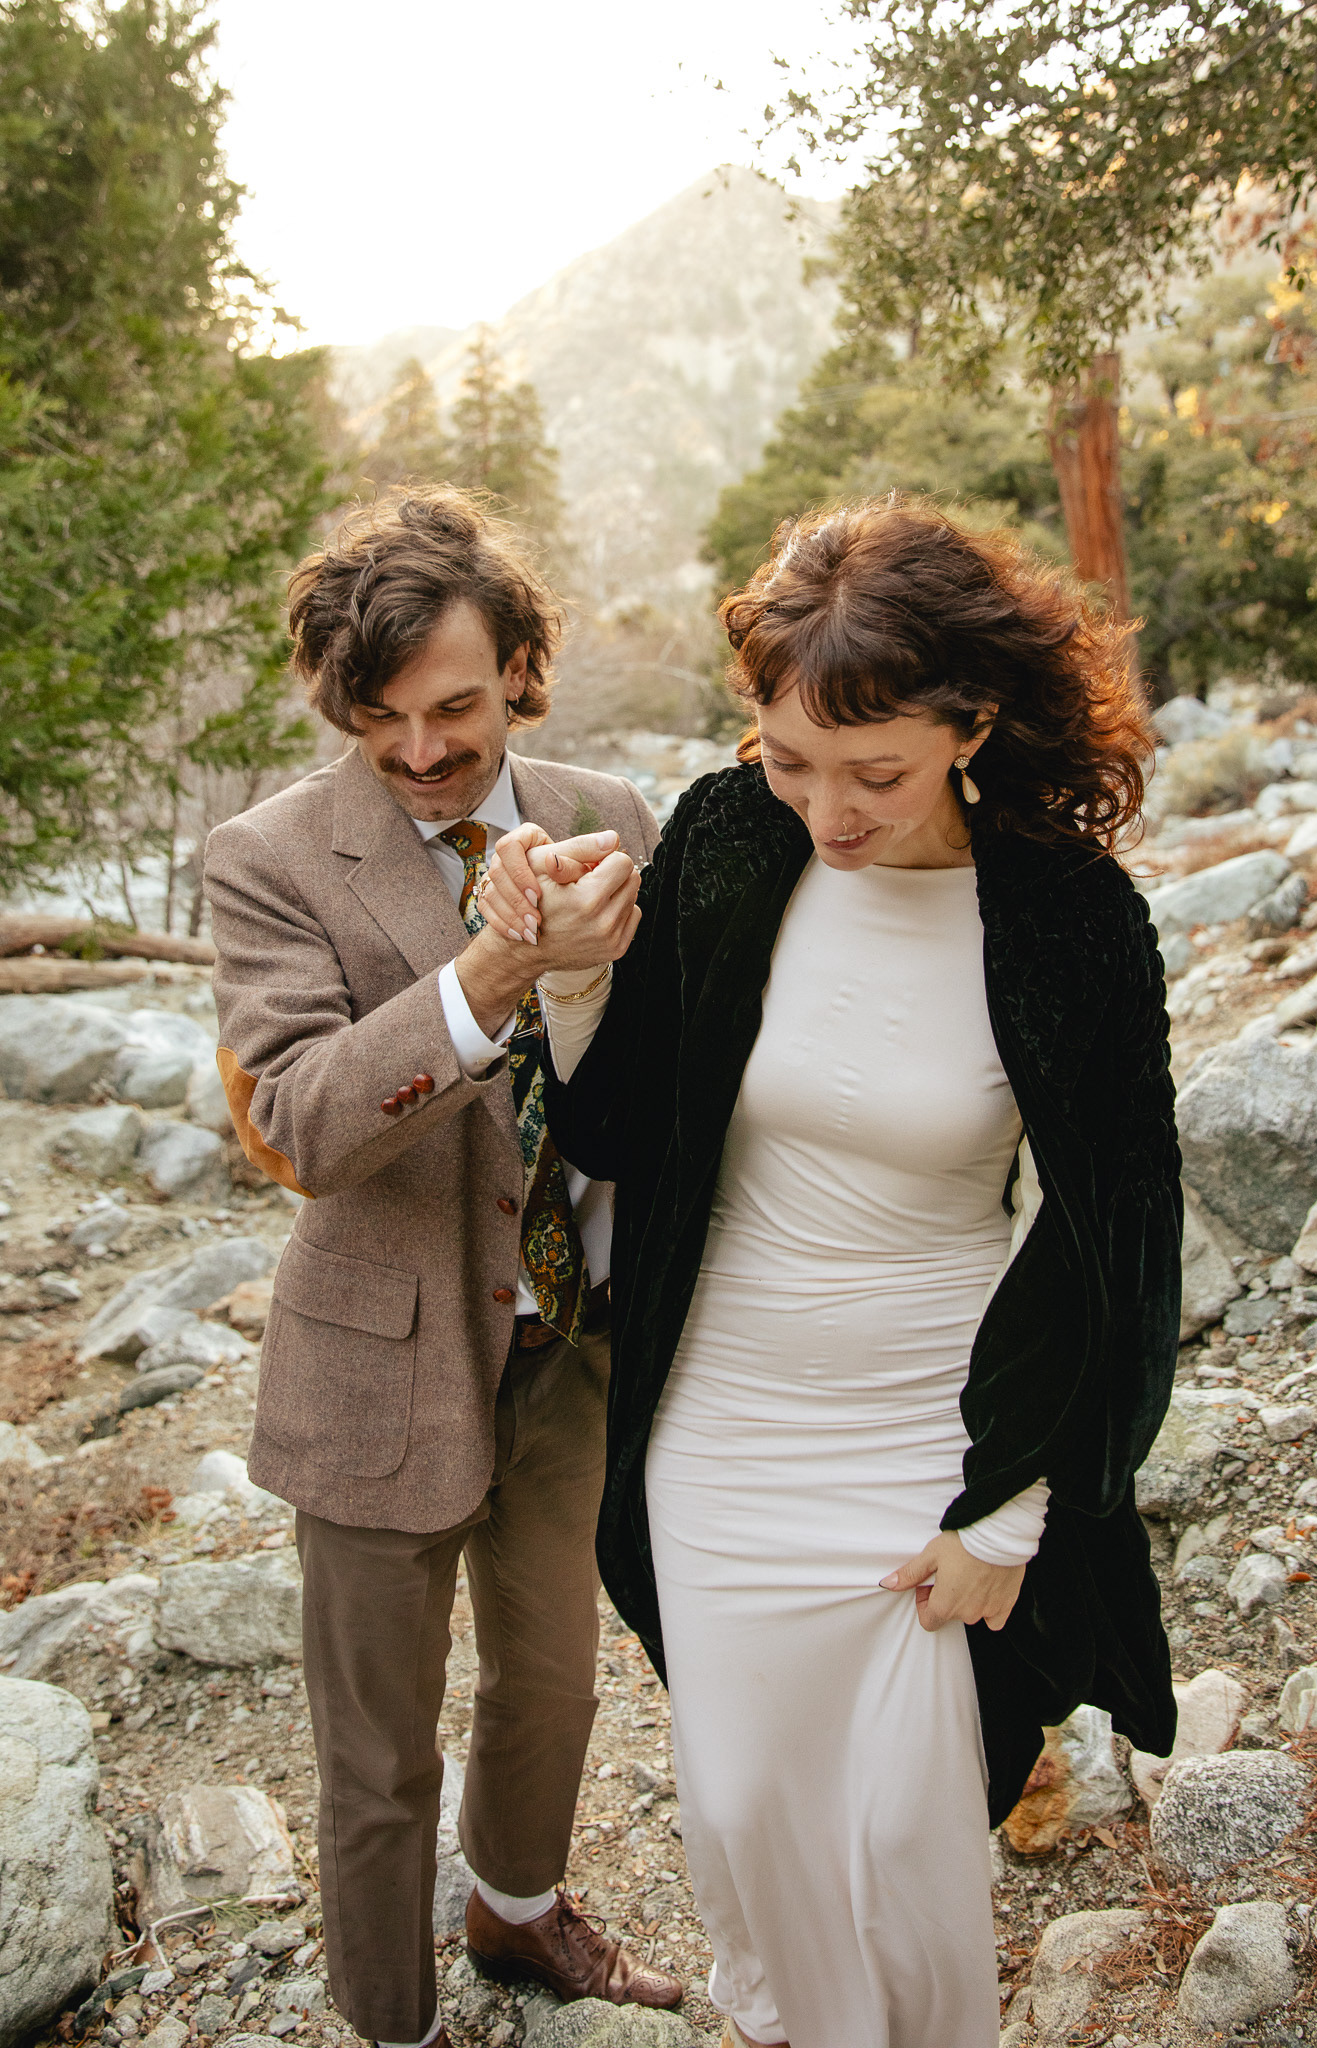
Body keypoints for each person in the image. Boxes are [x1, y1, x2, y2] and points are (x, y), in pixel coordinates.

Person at [480, 497, 1183, 2048]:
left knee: (900, 1847)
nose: (828, 810)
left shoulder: (1070, 920)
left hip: (930, 1432)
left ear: (972, 726)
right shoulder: (734, 838)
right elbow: (621, 1126)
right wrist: (578, 971)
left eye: (877, 773)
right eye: (793, 760)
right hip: (721, 1429)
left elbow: (1121, 1243)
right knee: (741, 1810)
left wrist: (1012, 1507)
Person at [203, 486, 681, 2048]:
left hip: (571, 1348)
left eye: (455, 708)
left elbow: (671, 1087)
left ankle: (519, 1911)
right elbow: (298, 1123)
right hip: (373, 1372)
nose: (418, 751)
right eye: (380, 718)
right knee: (377, 1757)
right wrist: (493, 971)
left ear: (522, 667)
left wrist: (601, 987)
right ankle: (392, 2023)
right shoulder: (268, 857)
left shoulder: (615, 812)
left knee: (553, 1688)